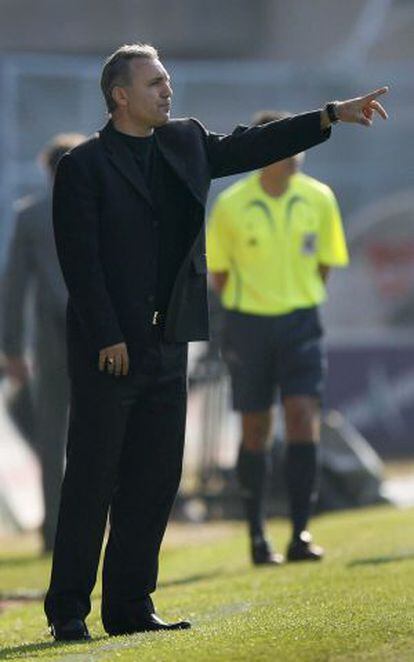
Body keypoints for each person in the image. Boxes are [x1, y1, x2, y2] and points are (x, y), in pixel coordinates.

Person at [43, 42, 388, 641]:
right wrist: (107, 335)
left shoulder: (184, 141)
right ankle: (68, 610)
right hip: (110, 350)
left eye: (167, 80)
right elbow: (82, 263)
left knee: (155, 479)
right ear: (119, 95)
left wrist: (330, 114)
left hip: (170, 343)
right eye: (153, 83)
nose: (167, 91)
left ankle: (129, 606)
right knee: (93, 478)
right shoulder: (84, 166)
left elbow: (252, 146)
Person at [207, 109, 349, 566]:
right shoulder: (230, 204)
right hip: (248, 327)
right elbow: (220, 275)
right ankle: (256, 535)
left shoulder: (320, 198)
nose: (296, 154)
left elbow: (326, 261)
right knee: (255, 429)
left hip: (301, 323)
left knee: (303, 416)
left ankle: (300, 532)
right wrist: (255, 305)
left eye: (299, 144)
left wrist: (298, 297)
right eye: (286, 145)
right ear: (265, 152)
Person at [1, 133, 85, 553]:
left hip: (50, 339)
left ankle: (54, 530)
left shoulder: (30, 215)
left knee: (52, 434)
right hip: (101, 335)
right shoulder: (99, 208)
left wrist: (12, 348)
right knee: (100, 429)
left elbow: (13, 286)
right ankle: (95, 523)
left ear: (46, 169)